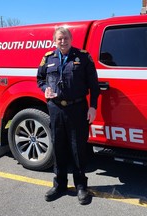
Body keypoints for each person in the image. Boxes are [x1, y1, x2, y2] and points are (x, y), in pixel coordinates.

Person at [37, 26, 100, 205]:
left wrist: (93, 107)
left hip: (78, 108)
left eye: (65, 38)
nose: (63, 41)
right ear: (54, 41)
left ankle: (81, 186)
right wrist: (45, 90)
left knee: (78, 148)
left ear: (71, 39)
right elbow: (40, 79)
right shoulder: (48, 58)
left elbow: (94, 86)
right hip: (55, 109)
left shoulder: (83, 57)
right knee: (58, 147)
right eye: (59, 39)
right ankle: (60, 185)